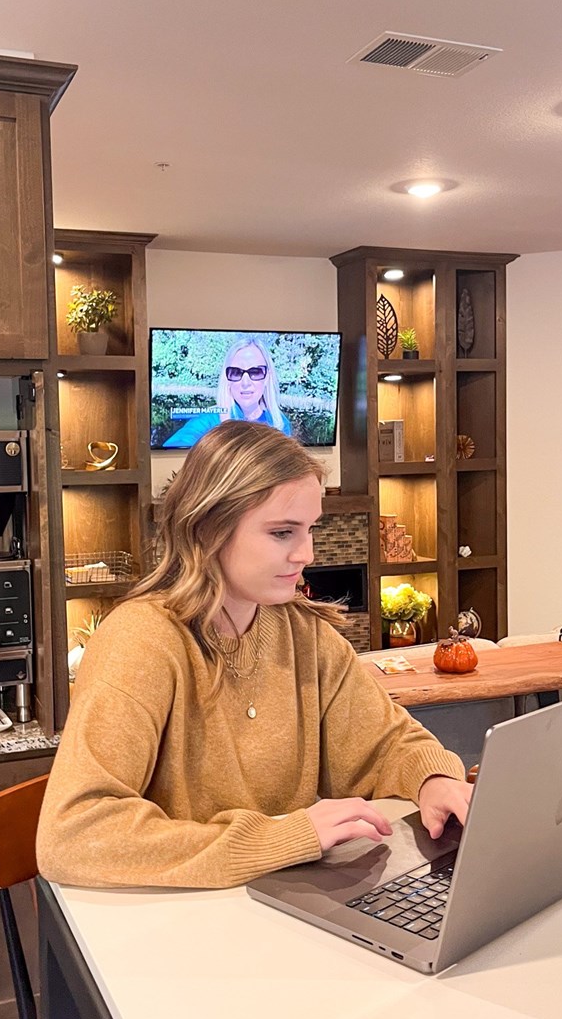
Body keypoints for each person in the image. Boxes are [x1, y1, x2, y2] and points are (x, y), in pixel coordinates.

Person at [37, 420, 472, 890]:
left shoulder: (304, 633)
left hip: (275, 908)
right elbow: (73, 834)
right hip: (178, 929)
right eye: (282, 533)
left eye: (309, 530)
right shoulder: (140, 641)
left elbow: (386, 743)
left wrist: (433, 780)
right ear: (208, 528)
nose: (306, 553)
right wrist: (281, 838)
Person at [161, 335, 292, 448]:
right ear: (227, 379)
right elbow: (178, 443)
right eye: (236, 373)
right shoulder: (209, 420)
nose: (245, 383)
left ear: (267, 376)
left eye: (255, 372)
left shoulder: (279, 422)